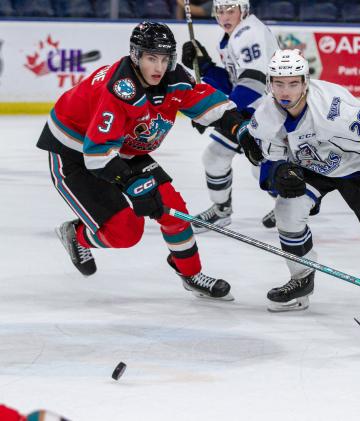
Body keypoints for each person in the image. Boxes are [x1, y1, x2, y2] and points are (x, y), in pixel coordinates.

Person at [36, 21, 248, 301]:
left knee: (174, 211)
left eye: (164, 59)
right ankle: (77, 234)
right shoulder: (120, 89)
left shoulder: (173, 77)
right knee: (125, 233)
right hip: (74, 152)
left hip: (121, 146)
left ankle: (191, 274)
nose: (158, 67)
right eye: (151, 58)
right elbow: (97, 152)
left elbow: (206, 102)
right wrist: (133, 183)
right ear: (136, 56)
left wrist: (241, 130)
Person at [236, 49, 360, 312]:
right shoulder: (266, 114)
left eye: (293, 84)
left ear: (305, 82)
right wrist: (278, 173)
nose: (285, 92)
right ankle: (301, 281)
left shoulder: (334, 110)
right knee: (287, 212)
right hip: (313, 169)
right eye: (279, 84)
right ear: (269, 84)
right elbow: (269, 156)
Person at [180, 0, 280, 232]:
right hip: (249, 110)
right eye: (220, 11)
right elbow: (235, 81)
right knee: (215, 157)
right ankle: (221, 211)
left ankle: (289, 206)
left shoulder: (248, 33)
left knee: (262, 167)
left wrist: (221, 111)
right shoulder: (233, 36)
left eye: (231, 10)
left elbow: (253, 83)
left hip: (265, 112)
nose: (224, 16)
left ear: (243, 10)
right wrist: (206, 67)